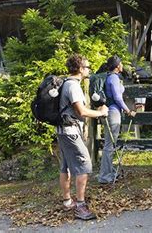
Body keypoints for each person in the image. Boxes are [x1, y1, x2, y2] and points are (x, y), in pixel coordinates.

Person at [57, 54, 108, 220]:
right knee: (84, 164)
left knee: (66, 166)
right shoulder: (73, 86)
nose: (88, 70)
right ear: (79, 68)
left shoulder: (65, 83)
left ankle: (67, 202)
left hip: (62, 131)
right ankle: (80, 205)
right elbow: (82, 111)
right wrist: (100, 113)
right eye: (87, 67)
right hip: (70, 132)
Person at [98, 55, 136, 184]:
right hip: (113, 113)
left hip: (110, 112)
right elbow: (118, 98)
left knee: (110, 144)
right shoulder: (113, 78)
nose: (122, 65)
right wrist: (127, 110)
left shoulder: (111, 77)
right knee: (110, 145)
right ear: (117, 66)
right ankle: (105, 176)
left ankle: (109, 172)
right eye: (121, 63)